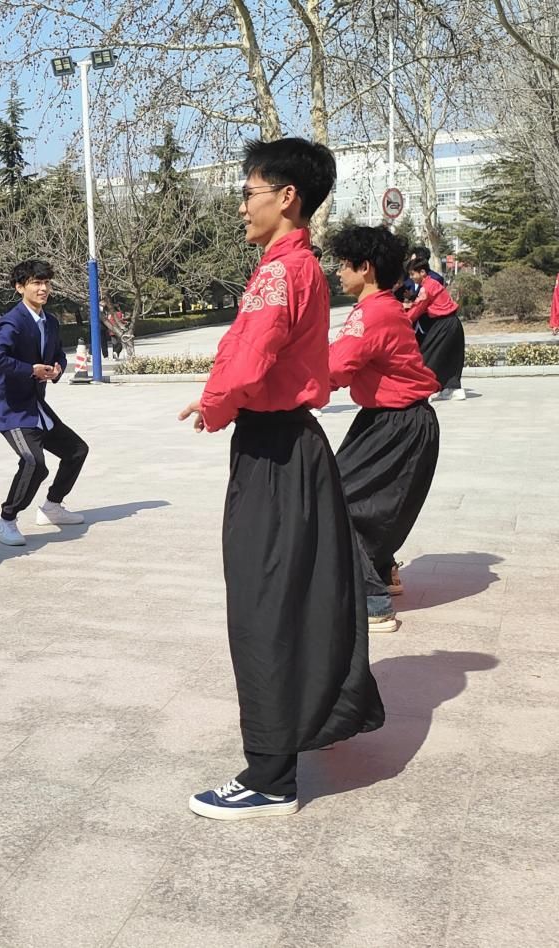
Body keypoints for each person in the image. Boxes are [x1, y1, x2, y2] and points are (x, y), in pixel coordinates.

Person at [177, 137, 384, 821]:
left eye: (249, 192)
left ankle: (269, 776)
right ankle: (302, 732)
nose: (242, 206)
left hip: (274, 452)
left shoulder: (279, 273)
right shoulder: (297, 267)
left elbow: (248, 358)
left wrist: (214, 404)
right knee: (295, 599)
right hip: (292, 447)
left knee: (263, 606)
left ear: (287, 197)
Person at [328, 226, 441, 634]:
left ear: (366, 268)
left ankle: (372, 601)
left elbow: (334, 369)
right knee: (361, 501)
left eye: (344, 264)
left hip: (398, 424)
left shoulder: (372, 313)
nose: (338, 272)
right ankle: (383, 571)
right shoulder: (381, 307)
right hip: (389, 420)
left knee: (334, 499)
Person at [0, 259, 88, 546]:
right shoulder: (13, 321)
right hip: (12, 409)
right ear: (20, 288)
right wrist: (30, 369)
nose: (43, 289)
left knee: (77, 451)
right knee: (34, 463)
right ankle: (6, 520)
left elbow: (58, 354)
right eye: (36, 283)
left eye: (46, 283)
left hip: (36, 406)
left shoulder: (50, 321)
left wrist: (57, 368)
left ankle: (52, 507)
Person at [405, 258, 465, 400]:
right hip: (454, 323)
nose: (411, 277)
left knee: (428, 354)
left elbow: (417, 309)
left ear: (422, 272)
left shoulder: (427, 287)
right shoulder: (434, 284)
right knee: (450, 356)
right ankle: (452, 389)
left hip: (442, 324)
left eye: (412, 274)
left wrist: (402, 322)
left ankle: (424, 390)